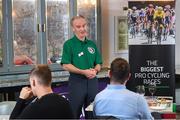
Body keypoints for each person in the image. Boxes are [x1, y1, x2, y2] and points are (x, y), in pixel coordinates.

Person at [61, 15, 102, 118]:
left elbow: (99, 63)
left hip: (92, 81)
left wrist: (95, 70)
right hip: (77, 82)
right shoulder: (68, 44)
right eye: (78, 26)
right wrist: (83, 72)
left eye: (84, 25)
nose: (82, 29)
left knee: (92, 113)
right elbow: (66, 65)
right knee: (74, 113)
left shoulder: (92, 44)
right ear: (73, 28)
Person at [10, 64, 74, 119]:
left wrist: (21, 99)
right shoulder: (65, 103)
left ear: (33, 82)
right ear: (50, 80)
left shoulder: (34, 108)